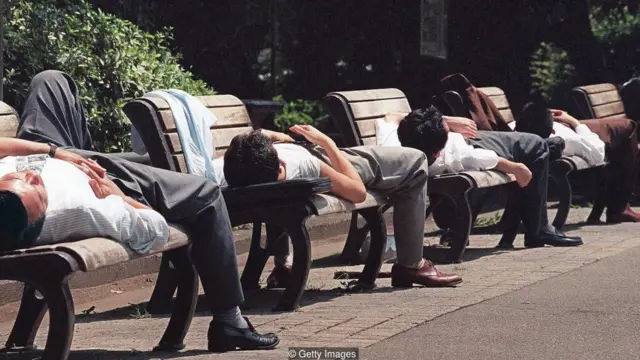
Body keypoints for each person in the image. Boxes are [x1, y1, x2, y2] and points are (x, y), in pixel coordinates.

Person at [3, 70, 279, 353]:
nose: (31, 179)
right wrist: (118, 195)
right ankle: (230, 322)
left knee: (51, 80)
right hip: (95, 177)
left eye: (15, 183)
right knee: (206, 195)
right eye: (34, 190)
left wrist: (53, 151)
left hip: (49, 153)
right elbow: (152, 229)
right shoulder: (83, 206)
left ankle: (83, 154)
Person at [222, 124, 464, 289]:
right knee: (416, 160)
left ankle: (284, 266)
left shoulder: (229, 170)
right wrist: (326, 142)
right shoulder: (303, 163)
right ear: (281, 165)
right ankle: (411, 264)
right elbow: (357, 193)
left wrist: (278, 138)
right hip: (338, 163)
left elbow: (259, 136)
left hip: (298, 159)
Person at [396, 106, 584, 248]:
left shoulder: (394, 144)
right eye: (444, 127)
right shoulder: (461, 156)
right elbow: (487, 159)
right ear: (437, 153)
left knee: (537, 146)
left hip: (464, 141)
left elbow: (390, 117)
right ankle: (539, 229)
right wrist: (516, 168)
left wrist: (446, 123)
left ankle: (537, 227)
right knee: (534, 144)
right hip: (470, 143)